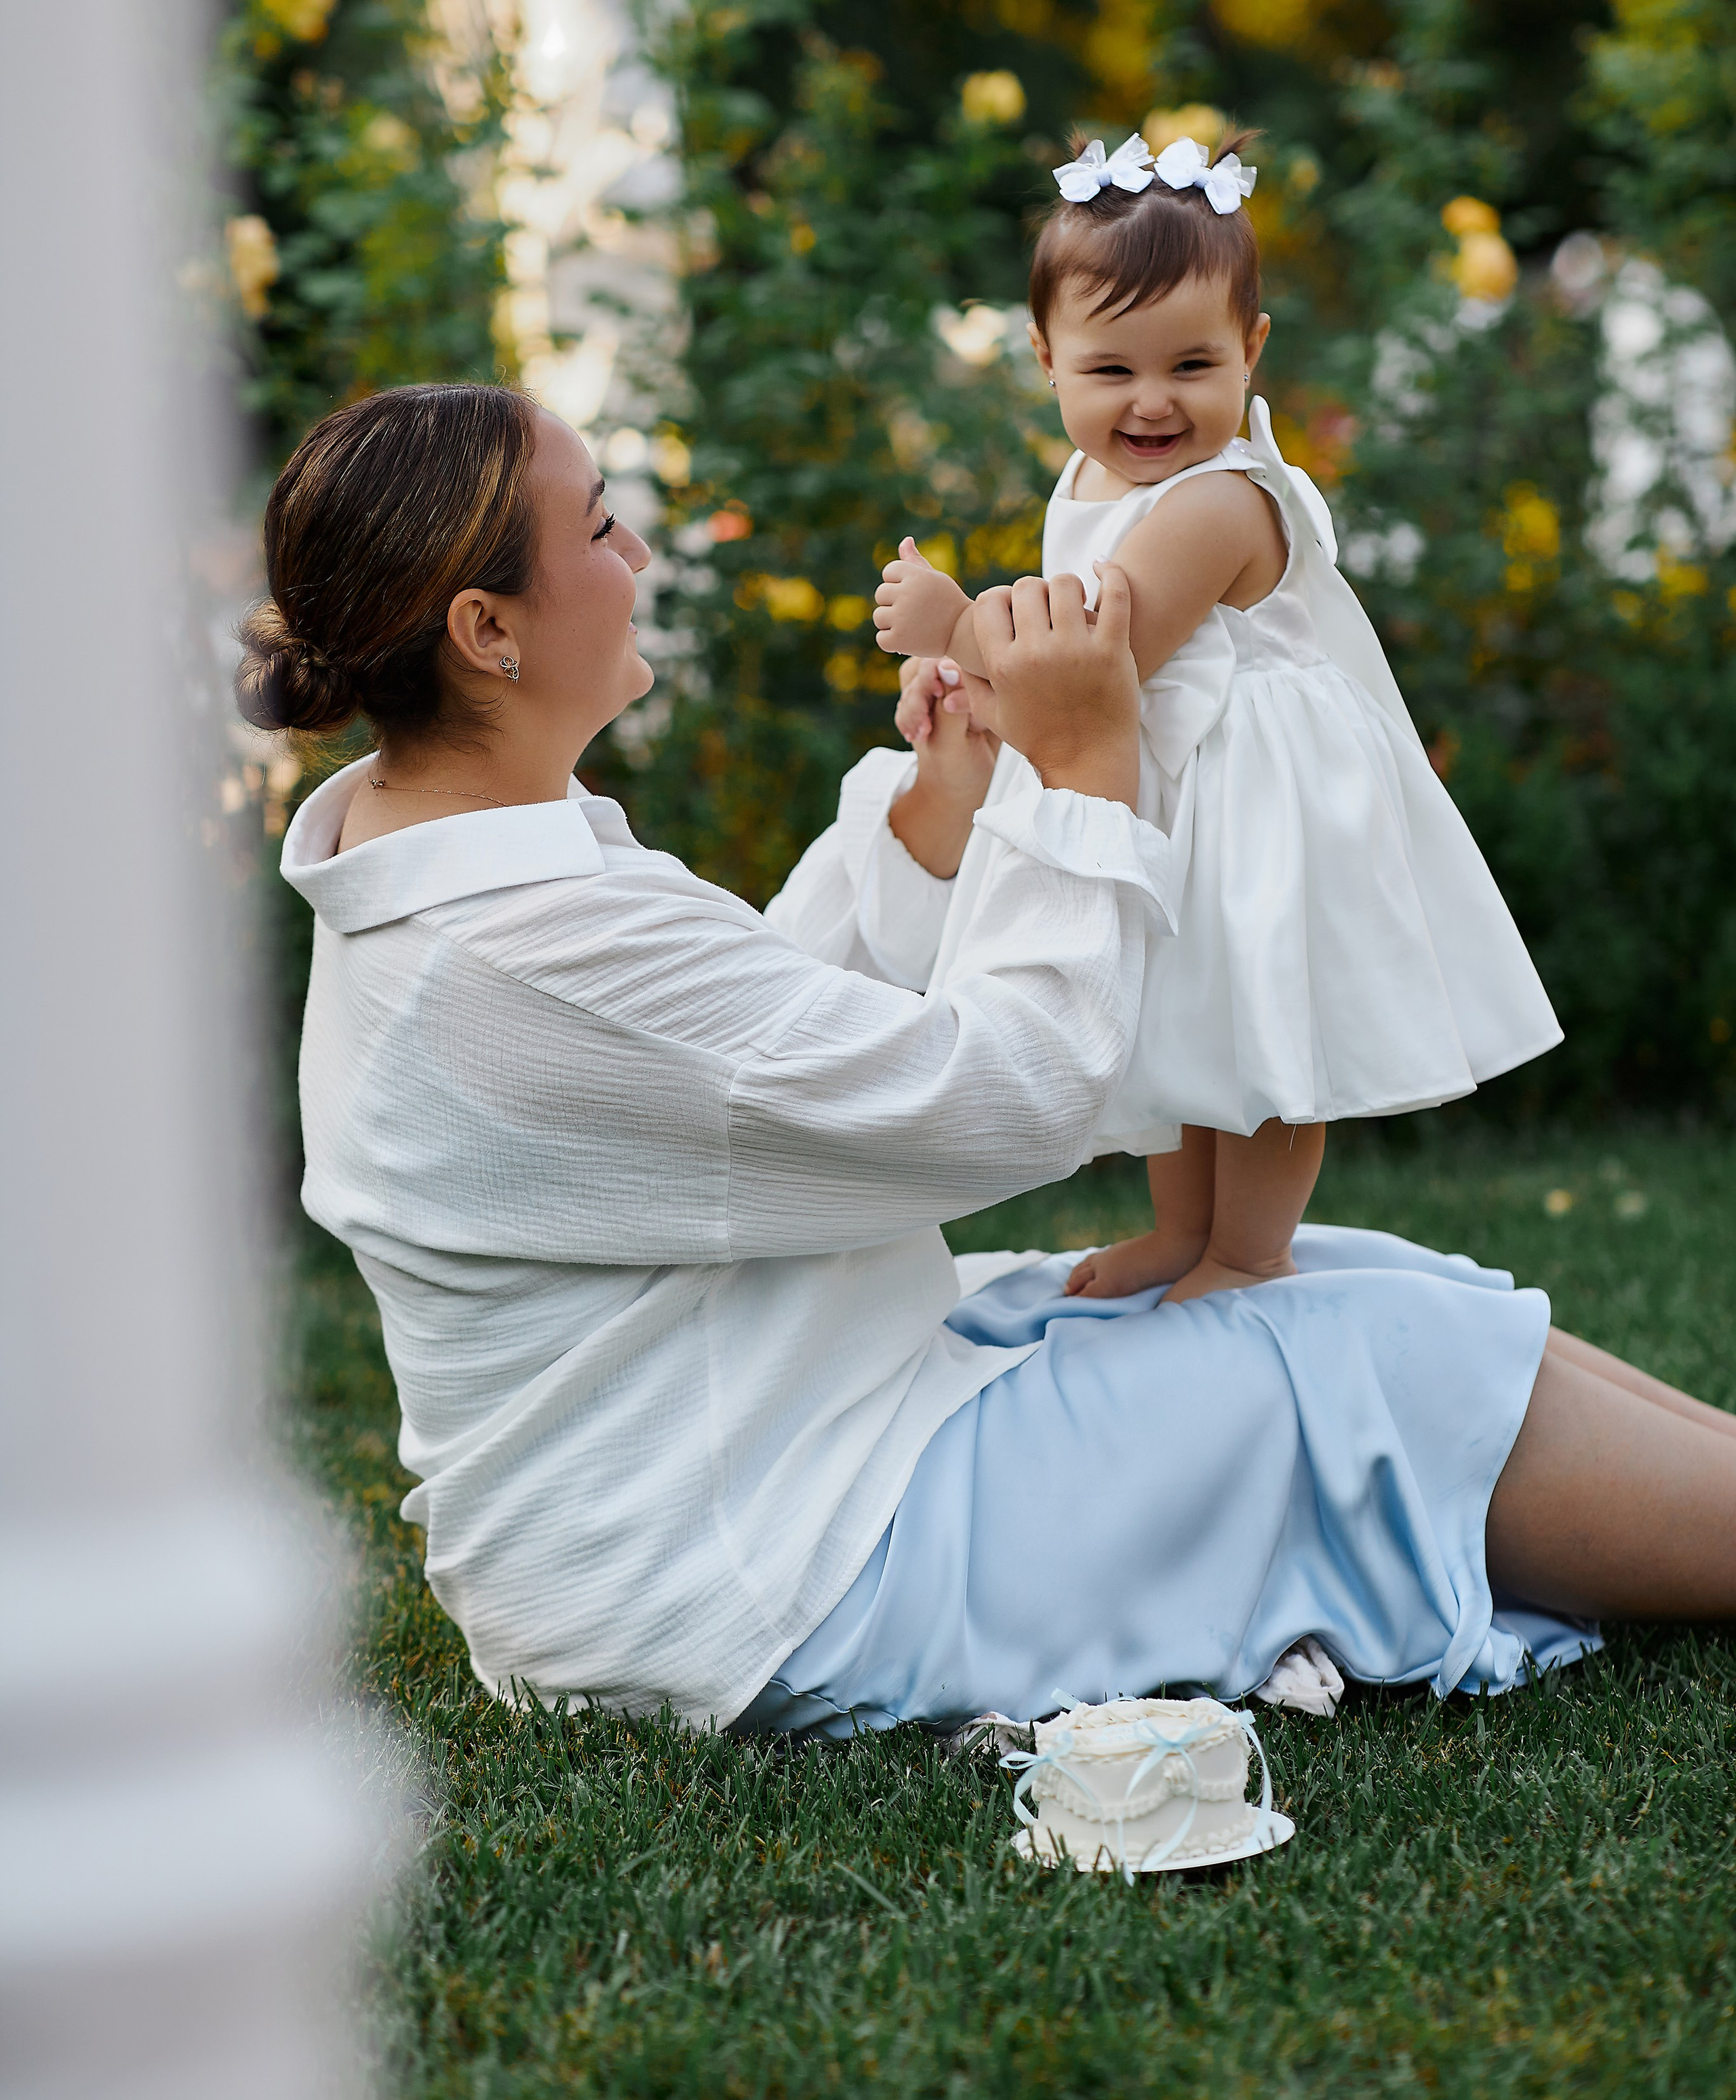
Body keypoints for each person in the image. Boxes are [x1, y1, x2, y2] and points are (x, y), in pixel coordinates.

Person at [246, 380, 1736, 1738]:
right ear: (487, 632)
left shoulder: (459, 859)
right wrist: (1081, 771)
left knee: (1338, 1274)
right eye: (599, 530)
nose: (634, 561)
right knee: (1365, 1366)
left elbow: (744, 1059)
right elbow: (1008, 1105)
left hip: (756, 1438)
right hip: (755, 1567)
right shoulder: (507, 944)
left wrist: (942, 811)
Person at [873, 128, 1562, 1306]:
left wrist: (953, 623)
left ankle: (1251, 1250)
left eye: (1192, 366)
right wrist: (979, 692)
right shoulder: (1095, 478)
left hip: (1257, 791)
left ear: (1252, 351)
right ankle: (1180, 1230)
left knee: (1262, 1014)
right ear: (1046, 358)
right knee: (1176, 1010)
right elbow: (1072, 672)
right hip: (1166, 774)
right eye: (1111, 372)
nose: (1152, 403)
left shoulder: (1228, 500)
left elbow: (1106, 649)